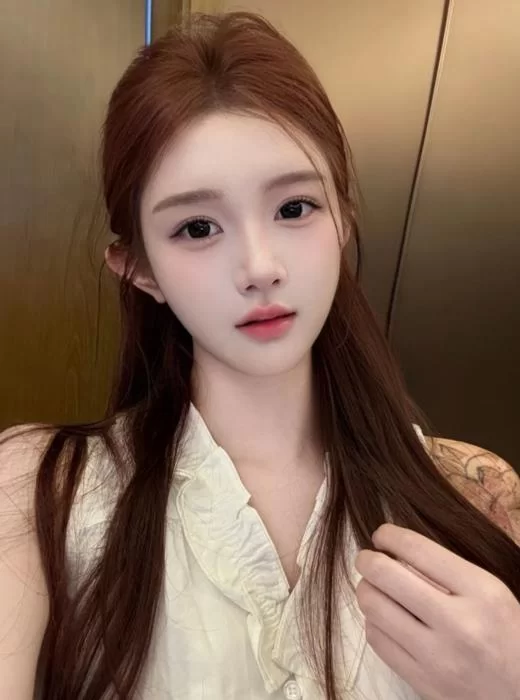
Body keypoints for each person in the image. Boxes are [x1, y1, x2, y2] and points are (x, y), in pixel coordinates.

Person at [1, 11, 519, 700]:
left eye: (295, 208)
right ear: (139, 269)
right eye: (197, 227)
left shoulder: (474, 491)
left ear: (343, 217)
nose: (260, 266)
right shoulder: (39, 489)